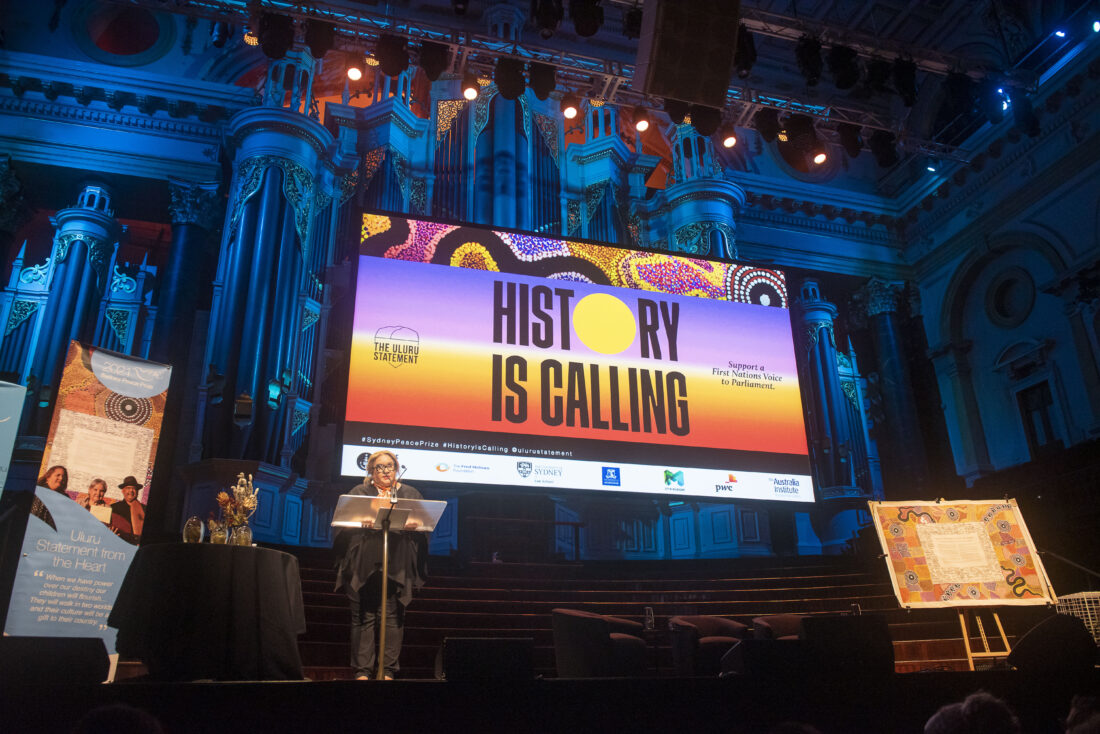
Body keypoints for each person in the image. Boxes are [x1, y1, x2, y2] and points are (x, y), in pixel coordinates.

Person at [334, 450, 428, 681]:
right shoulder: (359, 492)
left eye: (390, 466)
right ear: (371, 471)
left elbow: (425, 524)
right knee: (363, 616)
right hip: (364, 563)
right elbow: (342, 525)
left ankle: (387, 671)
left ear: (397, 468)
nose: (386, 471)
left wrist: (415, 526)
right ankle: (363, 672)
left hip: (397, 562)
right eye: (380, 467)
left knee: (393, 616)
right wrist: (358, 523)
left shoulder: (410, 494)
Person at [30, 464, 70, 530]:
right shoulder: (38, 493)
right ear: (48, 478)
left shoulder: (65, 499)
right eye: (58, 475)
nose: (61, 478)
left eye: (63, 476)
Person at [109, 476, 146, 545]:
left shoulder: (145, 509)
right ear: (123, 491)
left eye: (134, 488)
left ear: (137, 492)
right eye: (128, 488)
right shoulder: (113, 508)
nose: (131, 491)